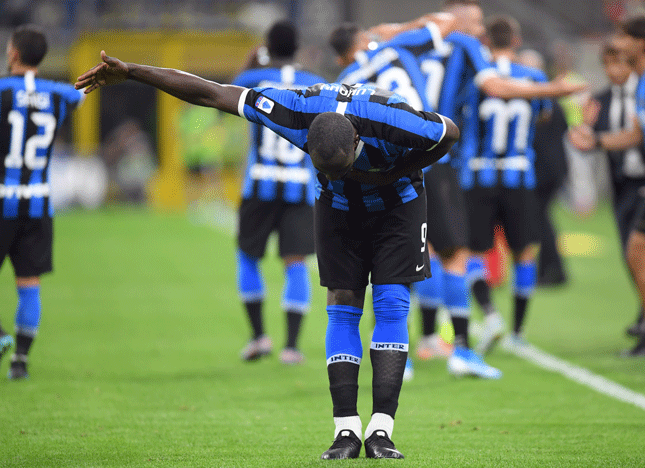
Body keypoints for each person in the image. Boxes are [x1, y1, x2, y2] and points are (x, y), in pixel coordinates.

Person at [75, 52, 460, 459]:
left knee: (392, 303)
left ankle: (382, 431)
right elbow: (211, 93)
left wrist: (392, 172)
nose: (337, 172)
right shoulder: (294, 110)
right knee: (343, 304)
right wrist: (134, 71)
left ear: (359, 142)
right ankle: (345, 431)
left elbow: (450, 132)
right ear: (306, 141)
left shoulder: (395, 119)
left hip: (398, 207)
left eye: (344, 166)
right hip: (338, 209)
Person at [409, 0, 585, 375]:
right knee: (465, 253)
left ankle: (420, 343)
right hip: (477, 169)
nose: (477, 29)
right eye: (472, 21)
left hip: (424, 162)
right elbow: (512, 99)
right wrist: (554, 88)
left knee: (408, 251)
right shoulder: (482, 58)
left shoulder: (409, 41)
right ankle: (488, 338)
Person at [330, 14, 456, 373]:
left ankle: (397, 352)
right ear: (364, 38)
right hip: (429, 157)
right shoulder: (395, 45)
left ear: (341, 57)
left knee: (382, 260)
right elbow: (448, 20)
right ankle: (434, 338)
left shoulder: (344, 82)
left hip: (384, 174)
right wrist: (394, 30)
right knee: (433, 252)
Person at [569, 14, 645, 356]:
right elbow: (637, 135)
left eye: (623, 37)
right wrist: (595, 142)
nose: (617, 43)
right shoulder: (644, 80)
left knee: (639, 254)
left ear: (640, 43)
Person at [231, 22, 325, 365]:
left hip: (259, 182)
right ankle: (292, 347)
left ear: (267, 46)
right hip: (300, 186)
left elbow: (225, 92)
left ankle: (258, 338)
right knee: (296, 262)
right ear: (298, 47)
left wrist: (250, 63)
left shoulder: (253, 79)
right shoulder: (315, 82)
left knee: (248, 256)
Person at [461, 16, 550, 353]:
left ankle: (489, 314)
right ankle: (517, 331)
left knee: (472, 252)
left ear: (485, 41)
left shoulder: (475, 78)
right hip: (519, 174)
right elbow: (543, 113)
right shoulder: (534, 76)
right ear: (515, 40)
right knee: (523, 253)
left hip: (478, 175)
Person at [0, 24, 85, 379]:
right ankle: (20, 361)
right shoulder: (60, 95)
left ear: (14, 54)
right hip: (38, 203)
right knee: (29, 283)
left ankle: (1, 336)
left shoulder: (2, 91)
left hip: (2, 199)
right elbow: (77, 96)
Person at [584, 40, 645, 338]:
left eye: (620, 63)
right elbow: (591, 137)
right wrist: (585, 132)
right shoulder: (600, 99)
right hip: (623, 185)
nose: (614, 70)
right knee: (631, 254)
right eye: (608, 64)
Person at [518, 49, 570, 288]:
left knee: (539, 221)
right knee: (542, 219)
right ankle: (552, 269)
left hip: (543, 170)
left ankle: (552, 271)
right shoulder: (550, 99)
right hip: (553, 168)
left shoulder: (538, 101)